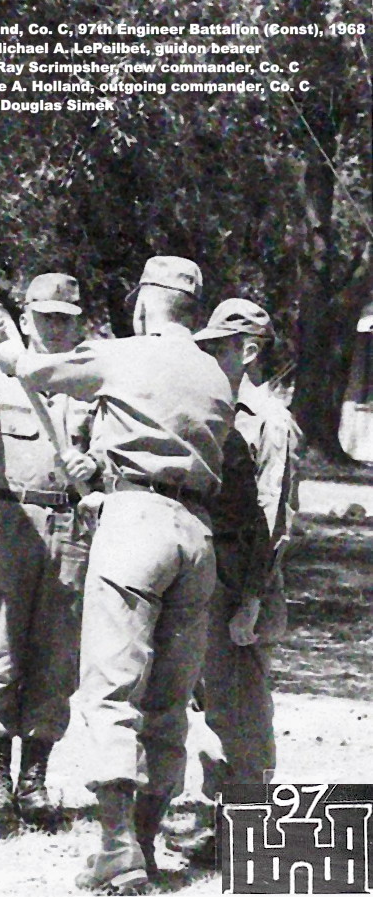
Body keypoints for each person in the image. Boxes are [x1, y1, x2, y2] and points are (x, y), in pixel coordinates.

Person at [0, 257, 233, 891]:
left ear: (145, 303)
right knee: (170, 701)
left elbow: (37, 372)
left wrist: (3, 338)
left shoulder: (126, 353)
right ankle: (148, 843)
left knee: (110, 689)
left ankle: (116, 847)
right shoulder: (215, 372)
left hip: (135, 524)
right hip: (196, 534)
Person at [0, 273, 99, 835]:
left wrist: (96, 468)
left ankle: (34, 783)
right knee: (2, 653)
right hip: (10, 519)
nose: (54, 326)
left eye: (65, 316)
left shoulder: (95, 376)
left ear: (77, 319)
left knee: (57, 660)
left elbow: (116, 448)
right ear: (25, 316)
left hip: (73, 526)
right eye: (44, 316)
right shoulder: (1, 367)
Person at [192, 299, 302, 802]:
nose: (208, 357)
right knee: (216, 703)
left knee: (243, 708)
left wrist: (251, 601)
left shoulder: (268, 421)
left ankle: (247, 822)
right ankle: (223, 818)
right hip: (212, 574)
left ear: (249, 351)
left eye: (218, 348)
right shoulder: (214, 409)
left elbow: (274, 516)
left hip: (244, 582)